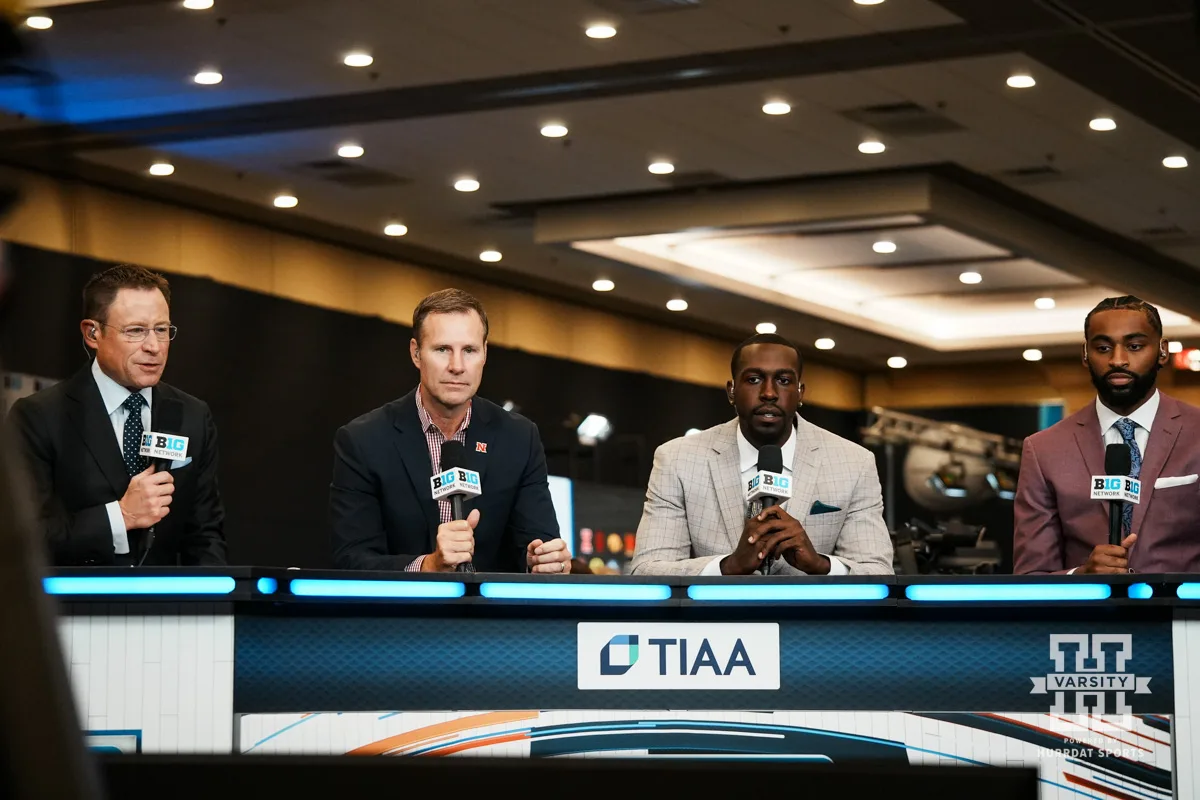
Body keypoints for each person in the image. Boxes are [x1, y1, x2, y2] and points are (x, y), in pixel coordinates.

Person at [329, 288, 570, 573]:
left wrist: (542, 561)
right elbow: (352, 559)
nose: (457, 366)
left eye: (469, 350)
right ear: (416, 353)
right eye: (442, 349)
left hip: (491, 613)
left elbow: (535, 541)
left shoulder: (519, 437)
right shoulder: (363, 440)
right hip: (399, 614)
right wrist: (429, 566)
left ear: (484, 354)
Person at [6, 264, 226, 566]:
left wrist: (210, 606)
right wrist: (121, 515)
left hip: (167, 608)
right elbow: (25, 538)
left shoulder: (192, 415)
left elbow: (205, 537)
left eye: (161, 330)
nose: (154, 347)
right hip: (76, 607)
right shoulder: (39, 417)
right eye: (136, 331)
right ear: (93, 333)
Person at [630, 333, 893, 576]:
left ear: (800, 392)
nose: (769, 393)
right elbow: (646, 570)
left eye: (784, 380)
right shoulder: (677, 460)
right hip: (721, 623)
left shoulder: (854, 463)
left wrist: (821, 565)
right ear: (731, 391)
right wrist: (728, 566)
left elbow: (878, 571)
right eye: (754, 379)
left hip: (812, 623)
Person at [1014, 296, 1200, 574]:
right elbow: (1031, 575)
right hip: (1090, 616)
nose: (1118, 360)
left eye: (1135, 346)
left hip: (1185, 613)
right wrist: (1081, 576)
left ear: (1162, 351)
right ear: (1086, 354)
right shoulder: (1043, 450)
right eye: (1103, 348)